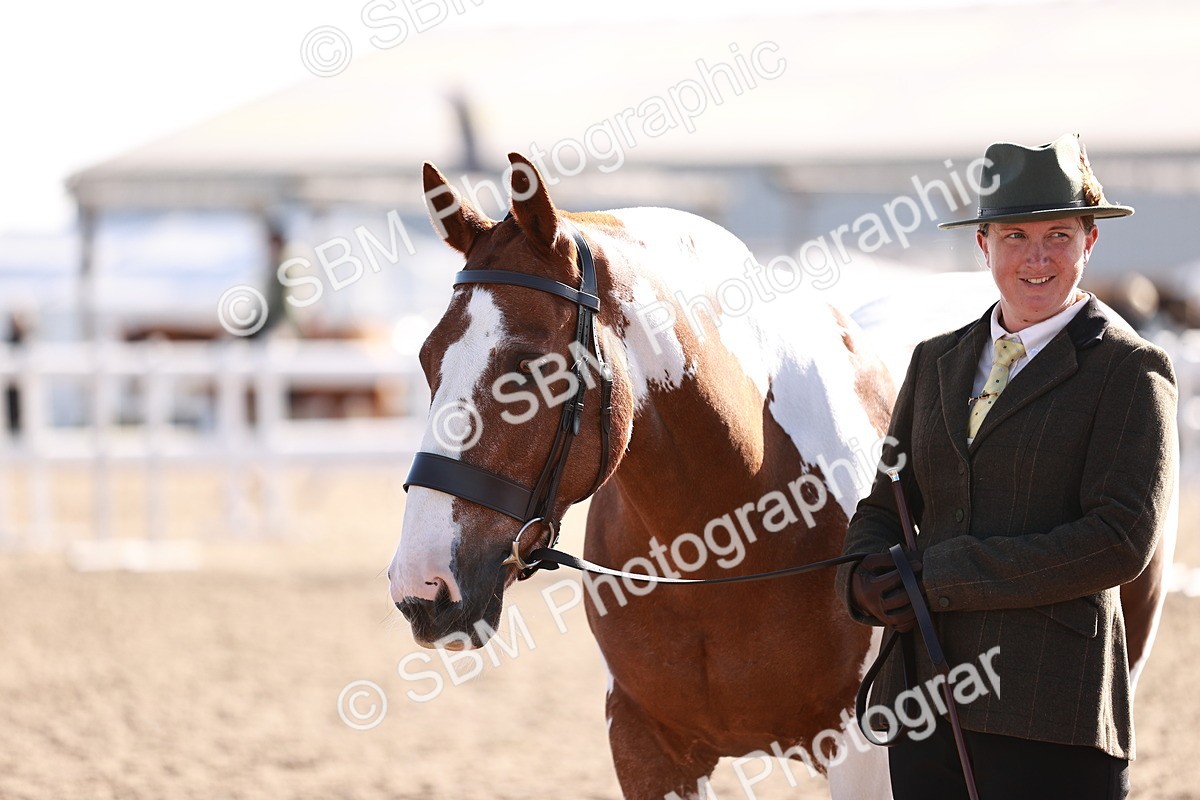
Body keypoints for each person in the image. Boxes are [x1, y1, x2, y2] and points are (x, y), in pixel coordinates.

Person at [835, 133, 1177, 799]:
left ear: (1090, 242)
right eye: (1015, 236)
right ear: (983, 244)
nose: (1037, 257)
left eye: (1058, 235)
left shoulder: (1131, 371)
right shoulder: (933, 361)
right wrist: (865, 579)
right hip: (923, 705)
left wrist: (943, 575)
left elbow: (1118, 541)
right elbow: (887, 503)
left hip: (1050, 714)